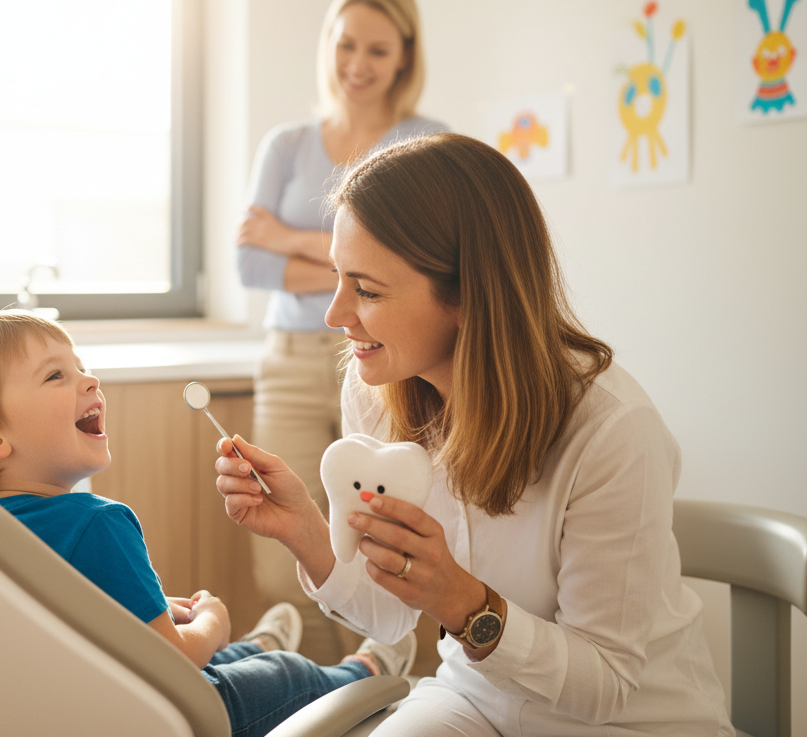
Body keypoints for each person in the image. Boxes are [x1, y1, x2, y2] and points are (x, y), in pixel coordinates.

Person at [216, 134, 733, 735]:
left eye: (368, 290)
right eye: (337, 277)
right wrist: (304, 527)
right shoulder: (375, 391)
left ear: (467, 293)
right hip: (474, 699)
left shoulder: (613, 431)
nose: (334, 314)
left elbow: (605, 688)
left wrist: (462, 602)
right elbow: (386, 616)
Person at [0, 310, 415, 737]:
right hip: (159, 718)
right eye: (55, 375)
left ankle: (255, 647)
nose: (90, 380)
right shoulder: (98, 523)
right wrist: (214, 623)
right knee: (284, 675)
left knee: (222, 658)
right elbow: (173, 661)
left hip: (74, 712)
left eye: (80, 366)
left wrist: (152, 614)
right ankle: (361, 670)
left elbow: (63, 617)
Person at [236, 0, 448, 664]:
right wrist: (358, 269)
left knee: (388, 550)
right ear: (328, 45)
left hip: (396, 363)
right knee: (283, 562)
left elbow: (424, 264)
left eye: (378, 49)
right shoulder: (287, 144)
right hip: (294, 361)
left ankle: (392, 698)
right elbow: (250, 269)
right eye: (346, 43)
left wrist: (293, 239)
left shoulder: (427, 141)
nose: (358, 63)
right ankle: (336, 694)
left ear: (404, 56)